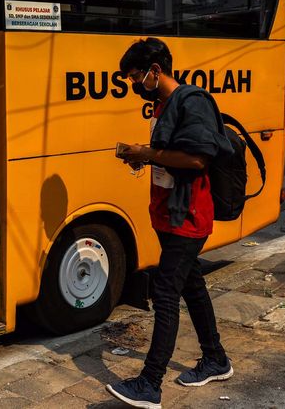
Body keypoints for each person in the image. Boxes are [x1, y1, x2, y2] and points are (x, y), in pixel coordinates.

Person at [106, 38, 234, 409]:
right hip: (169, 213)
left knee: (164, 294)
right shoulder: (163, 105)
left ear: (155, 71)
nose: (134, 84)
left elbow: (197, 160)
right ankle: (215, 359)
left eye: (135, 76)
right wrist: (142, 158)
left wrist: (147, 153)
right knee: (192, 286)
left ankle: (150, 383)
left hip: (188, 215)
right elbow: (169, 156)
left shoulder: (191, 100)